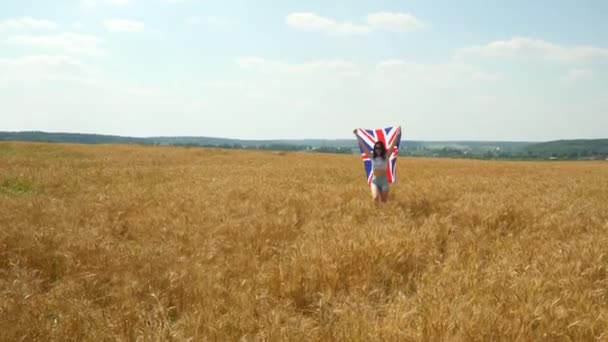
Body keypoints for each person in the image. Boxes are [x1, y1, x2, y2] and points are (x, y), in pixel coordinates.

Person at [353, 126, 401, 203]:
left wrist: (397, 133)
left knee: (383, 201)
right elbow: (363, 146)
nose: (378, 149)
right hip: (375, 181)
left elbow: (393, 144)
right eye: (376, 148)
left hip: (384, 181)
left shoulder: (386, 156)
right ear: (374, 149)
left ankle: (381, 214)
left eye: (380, 148)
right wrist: (357, 135)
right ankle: (376, 213)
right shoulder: (372, 156)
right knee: (375, 198)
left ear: (382, 149)